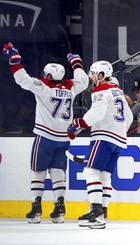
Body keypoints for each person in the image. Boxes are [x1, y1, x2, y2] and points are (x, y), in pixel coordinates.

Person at [2, 42, 88, 223]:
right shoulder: (71, 87)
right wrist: (77, 63)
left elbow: (22, 79)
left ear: (49, 75)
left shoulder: (43, 87)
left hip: (45, 137)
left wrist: (14, 60)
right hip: (63, 139)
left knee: (37, 171)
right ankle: (60, 207)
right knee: (58, 171)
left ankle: (36, 207)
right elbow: (84, 81)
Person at [67, 60, 133, 229]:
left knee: (90, 172)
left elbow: (96, 113)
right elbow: (130, 118)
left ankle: (96, 214)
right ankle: (102, 212)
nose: (91, 76)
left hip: (103, 136)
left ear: (101, 75)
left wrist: (78, 124)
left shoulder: (101, 90)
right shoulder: (118, 92)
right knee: (104, 175)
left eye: (93, 73)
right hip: (119, 139)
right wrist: (120, 130)